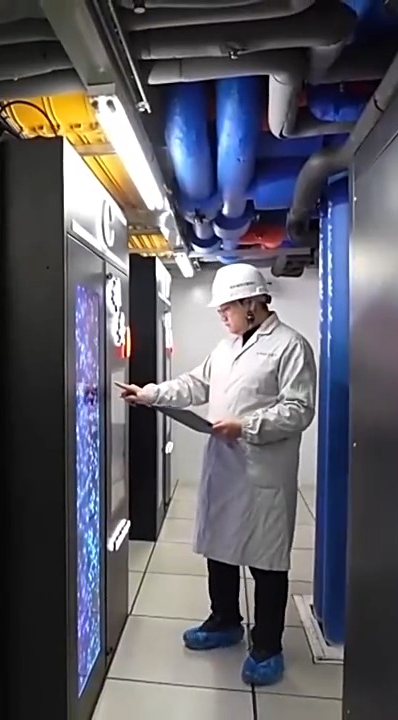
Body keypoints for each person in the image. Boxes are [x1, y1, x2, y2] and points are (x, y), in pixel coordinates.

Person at [119, 263, 317, 687]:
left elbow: (299, 410)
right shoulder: (226, 348)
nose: (221, 315)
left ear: (251, 303)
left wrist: (246, 426)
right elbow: (195, 384)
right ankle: (225, 620)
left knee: (266, 561)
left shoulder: (290, 346)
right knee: (220, 547)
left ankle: (267, 646)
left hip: (263, 470)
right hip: (225, 466)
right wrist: (150, 393)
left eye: (227, 307)